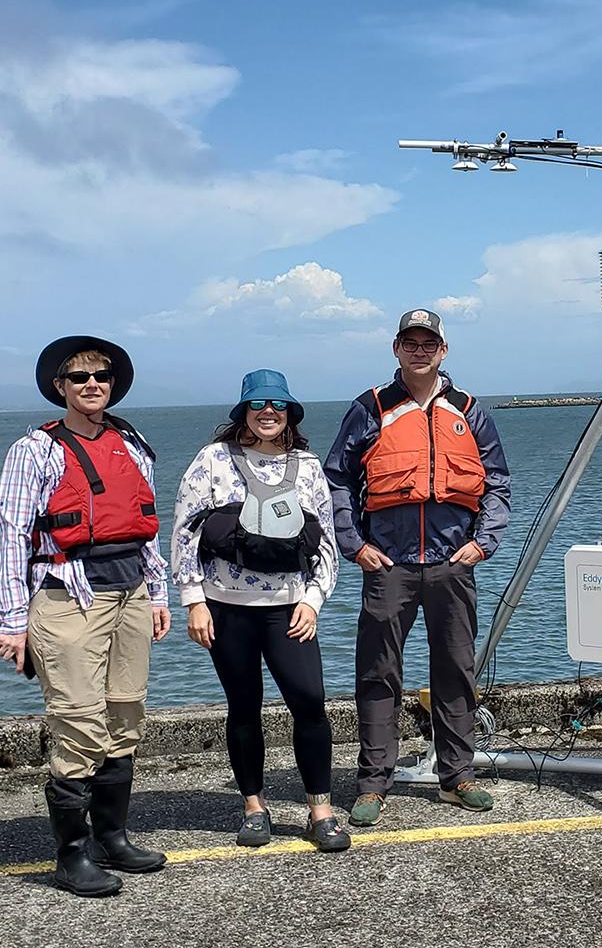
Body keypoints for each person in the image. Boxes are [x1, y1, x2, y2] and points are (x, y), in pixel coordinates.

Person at [0, 336, 172, 897]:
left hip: (131, 595)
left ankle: (111, 836)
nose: (92, 384)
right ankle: (72, 856)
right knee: (78, 721)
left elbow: (146, 524)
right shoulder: (35, 451)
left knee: (126, 714)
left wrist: (160, 593)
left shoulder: (131, 442)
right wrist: (12, 620)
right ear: (59, 388)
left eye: (101, 375)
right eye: (79, 378)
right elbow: (10, 534)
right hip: (68, 596)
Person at [324, 308, 511, 827]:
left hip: (453, 564)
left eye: (429, 343)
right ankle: (373, 783)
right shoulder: (370, 408)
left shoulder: (469, 411)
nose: (420, 350)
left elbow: (497, 482)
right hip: (389, 566)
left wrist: (482, 543)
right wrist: (353, 543)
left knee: (455, 669)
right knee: (378, 672)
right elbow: (336, 479)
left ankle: (457, 776)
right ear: (396, 349)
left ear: (443, 350)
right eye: (410, 342)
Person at [171, 370, 349, 853]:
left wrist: (313, 600)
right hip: (226, 609)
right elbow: (185, 530)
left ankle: (321, 809)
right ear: (243, 412)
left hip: (289, 608)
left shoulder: (308, 467)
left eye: (277, 405)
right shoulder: (213, 460)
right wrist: (193, 601)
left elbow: (326, 542)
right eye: (257, 405)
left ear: (290, 413)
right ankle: (254, 805)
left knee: (309, 703)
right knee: (243, 707)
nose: (267, 412)